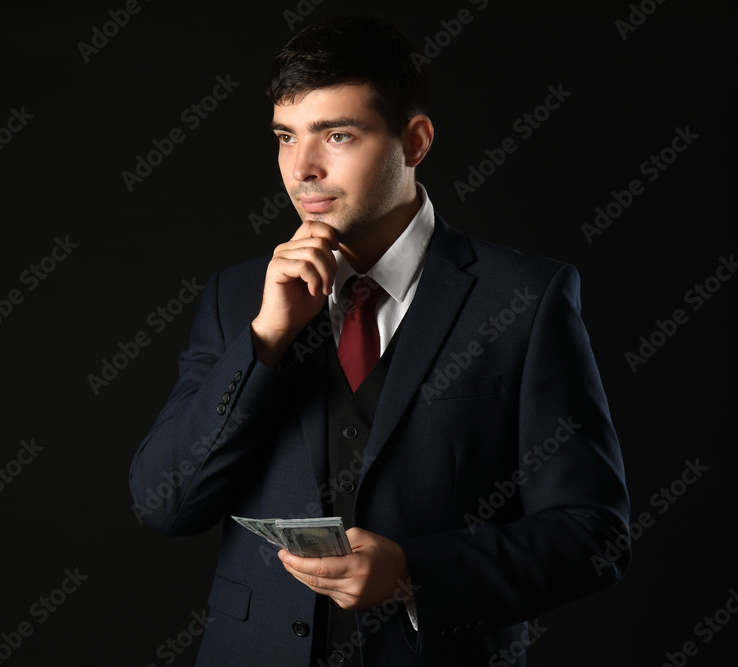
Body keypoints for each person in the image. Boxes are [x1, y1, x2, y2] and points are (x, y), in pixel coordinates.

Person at [130, 14, 629, 667]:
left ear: (415, 140)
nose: (303, 168)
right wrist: (266, 339)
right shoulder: (237, 297)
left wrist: (412, 572)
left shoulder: (525, 299)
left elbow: (593, 537)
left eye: (338, 135)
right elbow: (164, 501)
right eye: (286, 136)